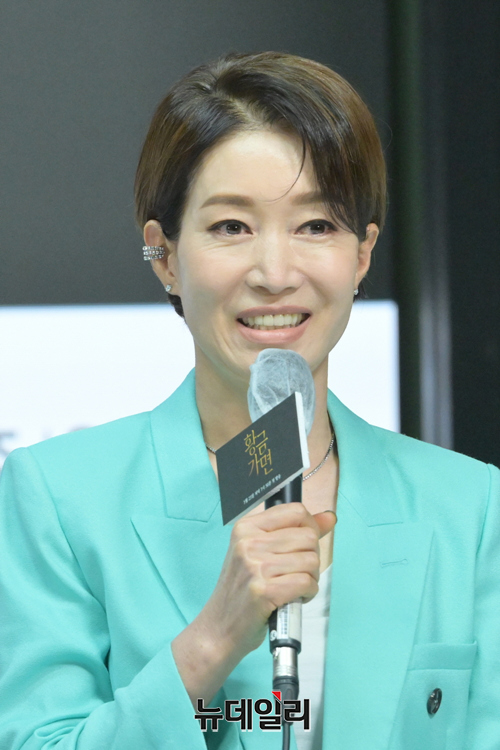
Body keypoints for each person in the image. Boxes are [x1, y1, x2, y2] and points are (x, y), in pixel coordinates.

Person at [0, 51, 499, 750]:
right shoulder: (59, 498)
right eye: (231, 227)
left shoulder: (467, 506)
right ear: (165, 254)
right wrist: (212, 641)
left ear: (362, 254)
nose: (274, 272)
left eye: (316, 225)